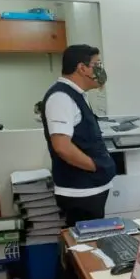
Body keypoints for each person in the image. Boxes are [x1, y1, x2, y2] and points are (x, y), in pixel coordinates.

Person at [41, 44, 115, 227]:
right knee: (84, 242)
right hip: (80, 192)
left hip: (90, 189)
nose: (100, 70)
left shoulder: (77, 94)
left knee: (93, 239)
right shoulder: (61, 97)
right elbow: (62, 147)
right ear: (82, 68)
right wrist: (95, 166)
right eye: (97, 64)